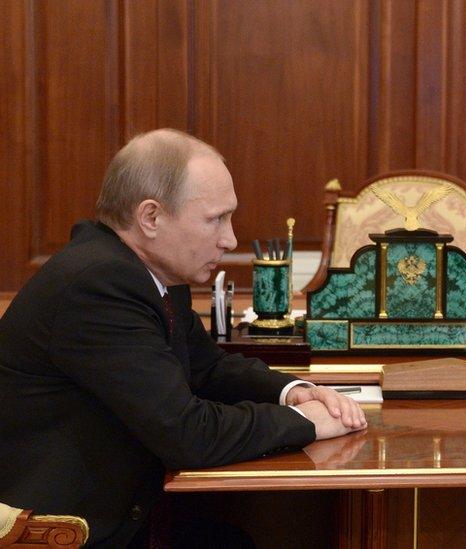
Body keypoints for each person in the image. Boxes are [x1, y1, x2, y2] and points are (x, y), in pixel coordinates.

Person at [0, 129, 367, 547]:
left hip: (126, 510)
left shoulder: (149, 273)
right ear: (151, 218)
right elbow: (188, 436)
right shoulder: (98, 285)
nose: (230, 239)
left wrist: (294, 392)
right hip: (65, 530)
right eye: (215, 219)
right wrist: (304, 424)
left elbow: (207, 367)